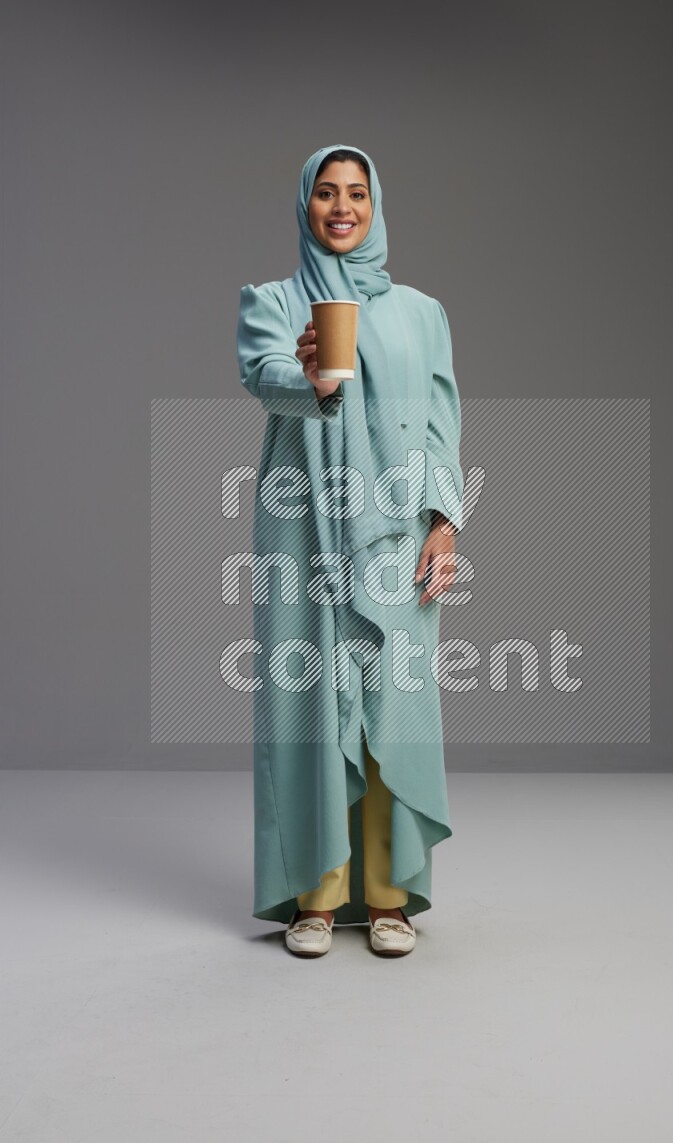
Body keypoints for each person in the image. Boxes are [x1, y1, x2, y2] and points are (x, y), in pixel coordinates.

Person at [236, 144, 464, 957]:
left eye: (357, 193)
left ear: (375, 204)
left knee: (391, 707)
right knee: (309, 705)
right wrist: (316, 379)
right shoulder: (273, 299)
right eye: (326, 193)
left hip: (395, 532)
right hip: (303, 531)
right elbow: (263, 376)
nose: (342, 207)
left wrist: (445, 523)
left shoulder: (421, 312)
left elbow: (440, 422)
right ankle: (317, 898)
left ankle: (389, 897)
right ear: (305, 205)